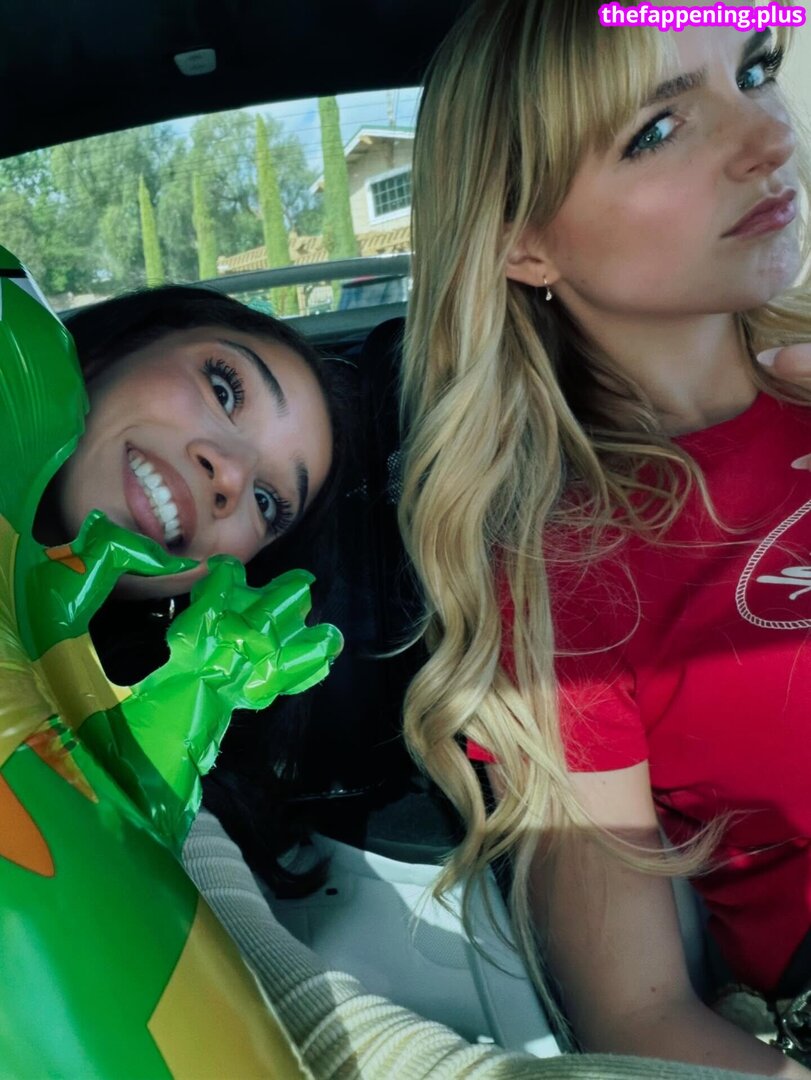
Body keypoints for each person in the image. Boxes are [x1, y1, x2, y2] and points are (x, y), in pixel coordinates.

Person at [398, 1, 811, 1076]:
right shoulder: (564, 573)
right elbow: (637, 1019)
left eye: (752, 70)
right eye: (656, 130)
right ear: (521, 243)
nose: (768, 140)